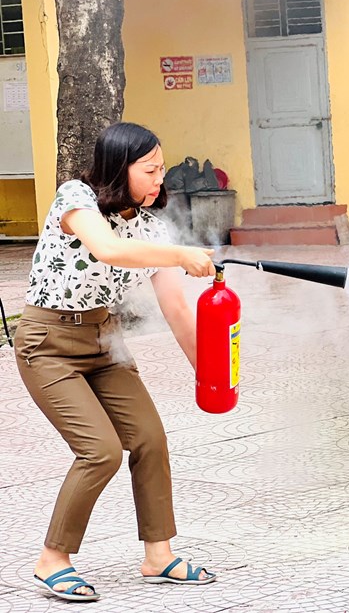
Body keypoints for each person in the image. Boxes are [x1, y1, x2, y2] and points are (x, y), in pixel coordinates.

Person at [14, 122, 219, 602]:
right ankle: (52, 560)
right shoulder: (75, 197)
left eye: (162, 169)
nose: (159, 180)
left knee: (149, 438)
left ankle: (159, 555)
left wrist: (211, 377)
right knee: (100, 450)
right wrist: (177, 253)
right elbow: (107, 248)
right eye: (149, 170)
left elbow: (176, 310)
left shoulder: (152, 226)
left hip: (105, 343)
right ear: (117, 168)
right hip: (47, 343)